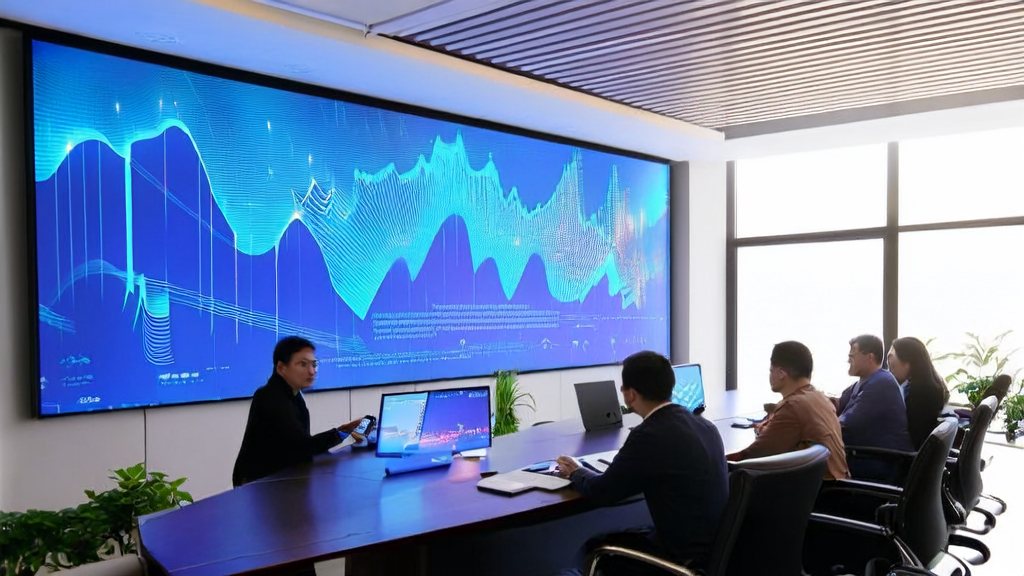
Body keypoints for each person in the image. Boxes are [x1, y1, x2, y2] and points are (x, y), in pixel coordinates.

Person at [555, 351, 728, 574]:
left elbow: (603, 491)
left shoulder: (650, 434)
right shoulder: (706, 427)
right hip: (711, 552)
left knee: (597, 547)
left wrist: (575, 472)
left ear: (629, 394)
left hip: (681, 559)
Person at [232, 336, 366, 487]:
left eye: (314, 365)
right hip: (259, 486)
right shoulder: (271, 396)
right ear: (282, 368)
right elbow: (301, 446)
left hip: (281, 479)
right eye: (303, 364)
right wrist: (343, 431)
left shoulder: (293, 394)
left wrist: (345, 431)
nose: (311, 371)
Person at [727, 341, 850, 480]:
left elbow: (755, 455)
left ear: (781, 373)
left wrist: (719, 461)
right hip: (836, 484)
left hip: (819, 493)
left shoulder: (792, 406)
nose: (770, 375)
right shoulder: (819, 397)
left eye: (770, 370)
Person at [835, 334, 913, 479]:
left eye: (852, 356)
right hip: (865, 456)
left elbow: (846, 424)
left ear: (869, 357)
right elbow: (838, 404)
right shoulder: (864, 382)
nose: (848, 360)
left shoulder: (881, 384)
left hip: (878, 463)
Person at [888, 337, 950, 450]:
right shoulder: (930, 386)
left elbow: (910, 437)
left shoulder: (918, 393)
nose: (890, 370)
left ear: (908, 363)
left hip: (904, 456)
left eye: (892, 366)